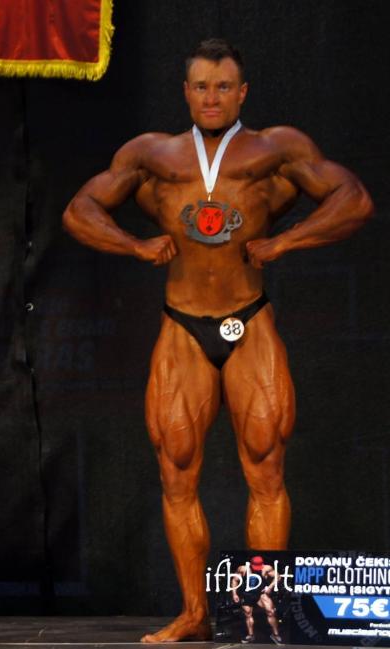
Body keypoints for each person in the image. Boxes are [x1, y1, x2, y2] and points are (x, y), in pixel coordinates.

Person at [62, 39, 372, 642]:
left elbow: (353, 198)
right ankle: (194, 614)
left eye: (223, 87)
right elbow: (80, 209)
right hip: (182, 325)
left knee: (266, 466)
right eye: (202, 86)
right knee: (176, 470)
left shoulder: (276, 148)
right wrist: (134, 246)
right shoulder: (152, 154)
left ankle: (266, 618)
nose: (212, 97)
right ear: (185, 92)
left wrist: (287, 241)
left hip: (249, 320)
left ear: (242, 93)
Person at [231, 556, 282, 644]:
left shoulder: (266, 568)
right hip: (247, 594)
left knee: (271, 612)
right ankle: (251, 635)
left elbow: (278, 577)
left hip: (261, 593)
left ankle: (275, 634)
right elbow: (234, 580)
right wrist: (234, 594)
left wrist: (269, 587)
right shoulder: (243, 569)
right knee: (248, 614)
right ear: (250, 564)